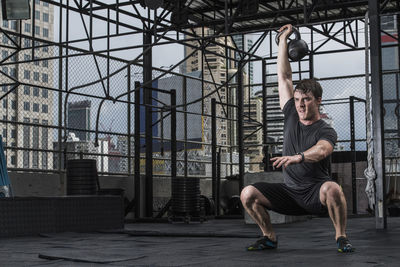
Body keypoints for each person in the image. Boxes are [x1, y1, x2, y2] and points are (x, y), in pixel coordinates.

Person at [240, 24, 354, 253]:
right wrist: (283, 40)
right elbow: (284, 76)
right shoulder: (291, 112)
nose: (301, 105)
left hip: (315, 194)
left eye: (307, 100)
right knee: (247, 193)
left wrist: (298, 157)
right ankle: (269, 237)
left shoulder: (325, 129)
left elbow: (322, 150)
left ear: (318, 101)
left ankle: (341, 237)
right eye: (298, 99)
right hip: (290, 193)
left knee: (332, 188)